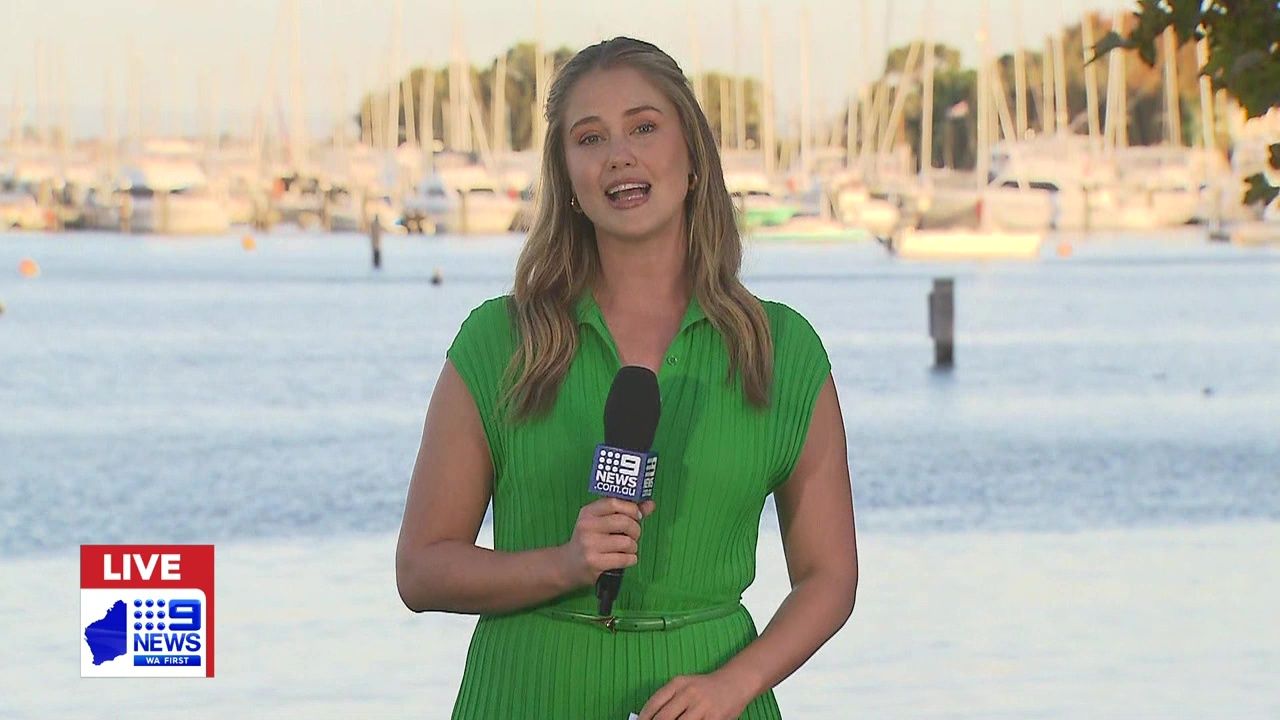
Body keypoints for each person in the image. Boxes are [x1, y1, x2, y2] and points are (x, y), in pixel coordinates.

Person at [396, 37, 858, 719]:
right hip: (528, 695)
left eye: (643, 127)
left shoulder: (780, 350)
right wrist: (563, 564)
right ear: (568, 178)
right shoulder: (499, 342)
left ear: (693, 157)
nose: (619, 155)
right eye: (590, 138)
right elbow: (421, 569)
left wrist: (734, 685)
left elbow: (830, 578)